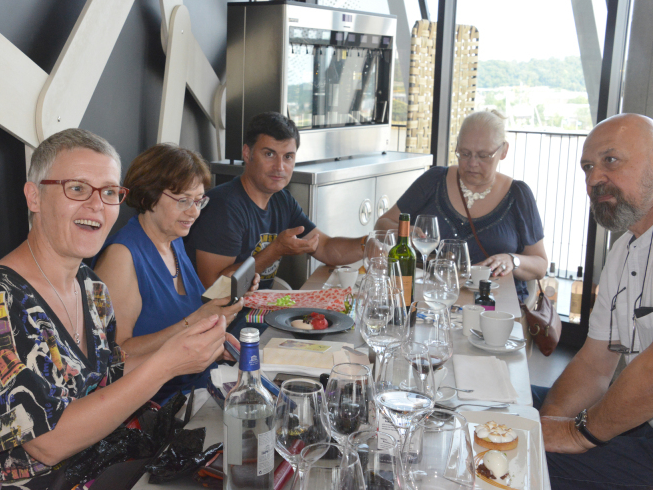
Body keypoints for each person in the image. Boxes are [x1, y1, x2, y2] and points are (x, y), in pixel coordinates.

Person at [0, 130, 232, 490]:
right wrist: (167, 365)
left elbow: (109, 374)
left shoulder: (90, 286)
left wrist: (190, 347)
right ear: (34, 197)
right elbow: (48, 443)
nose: (97, 205)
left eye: (110, 192)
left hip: (99, 471)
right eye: (78, 188)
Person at [535, 114, 653, 490]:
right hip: (642, 423)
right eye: (587, 167)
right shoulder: (624, 250)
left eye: (610, 160)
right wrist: (549, 424)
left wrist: (576, 434)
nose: (593, 179)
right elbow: (595, 364)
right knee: (502, 408)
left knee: (500, 457)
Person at [92, 144, 253, 403]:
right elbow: (118, 357)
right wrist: (196, 321)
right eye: (183, 200)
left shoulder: (173, 239)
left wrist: (214, 338)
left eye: (199, 201)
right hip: (157, 405)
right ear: (148, 196)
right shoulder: (121, 257)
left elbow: (182, 321)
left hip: (200, 390)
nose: (194, 211)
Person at [375, 110, 547, 301]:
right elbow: (382, 225)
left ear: (504, 151)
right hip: (432, 300)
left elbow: (540, 265)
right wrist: (404, 233)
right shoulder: (434, 181)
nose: (472, 163)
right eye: (464, 153)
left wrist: (512, 260)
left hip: (495, 307)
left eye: (483, 155)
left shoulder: (518, 195)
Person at [185, 111, 368, 290]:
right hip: (223, 310)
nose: (279, 167)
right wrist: (275, 250)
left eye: (288, 157)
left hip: (262, 306)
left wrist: (368, 244)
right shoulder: (223, 207)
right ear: (247, 154)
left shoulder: (283, 200)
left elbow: (326, 247)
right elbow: (213, 288)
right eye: (269, 154)